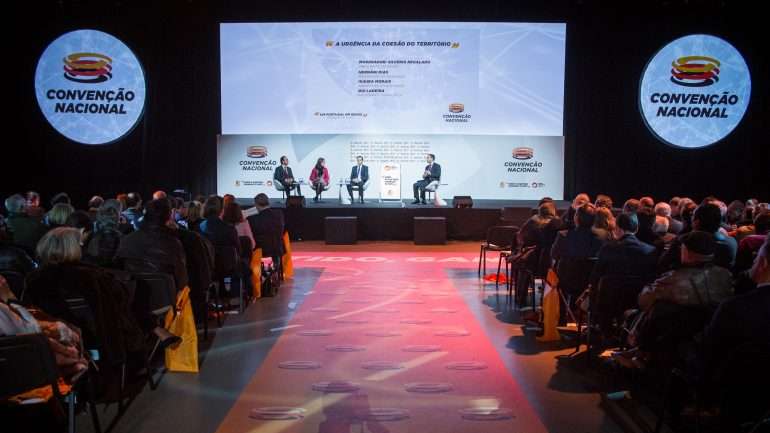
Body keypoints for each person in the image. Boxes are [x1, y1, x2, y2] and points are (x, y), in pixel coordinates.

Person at [116, 199, 189, 291]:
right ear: (169, 216)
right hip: (164, 301)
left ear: (144, 214)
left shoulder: (126, 240)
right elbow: (182, 281)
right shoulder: (174, 244)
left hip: (130, 298)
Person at [247, 193, 285, 266]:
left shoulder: (253, 219)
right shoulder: (279, 214)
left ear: (256, 205)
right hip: (278, 247)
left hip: (261, 249)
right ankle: (276, 265)